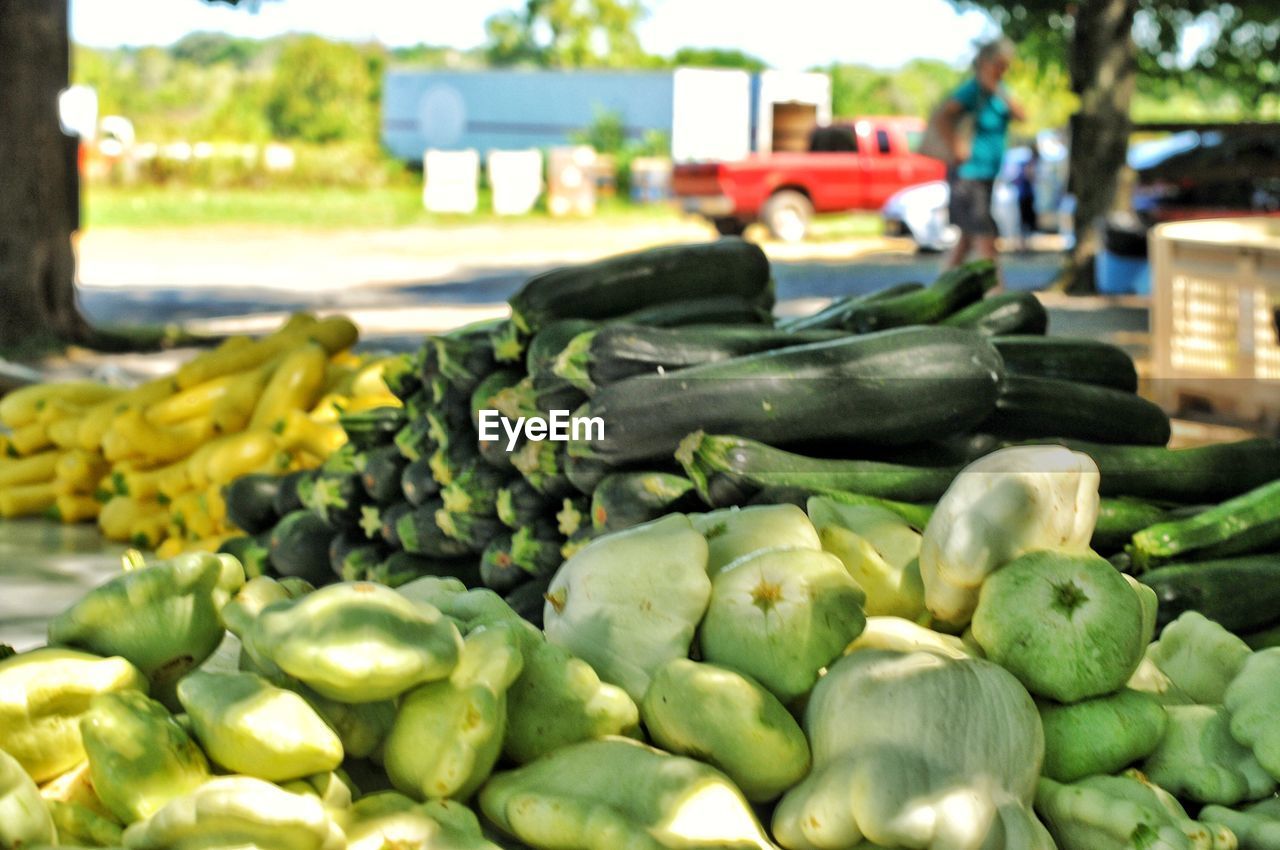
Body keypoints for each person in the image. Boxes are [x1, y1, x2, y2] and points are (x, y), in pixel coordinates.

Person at [937, 38, 1027, 278]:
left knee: (966, 241)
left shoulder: (999, 91)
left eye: (1006, 66)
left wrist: (997, 88)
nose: (1003, 70)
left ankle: (938, 293)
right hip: (968, 175)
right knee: (986, 239)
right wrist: (956, 146)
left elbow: (1022, 115)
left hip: (986, 176)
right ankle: (998, 298)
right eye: (999, 64)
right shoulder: (971, 90)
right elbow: (943, 116)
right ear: (986, 63)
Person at [1015, 147, 1039, 252]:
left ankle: (1025, 245)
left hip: (1026, 196)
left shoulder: (1027, 163)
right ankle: (1022, 245)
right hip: (1025, 197)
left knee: (1026, 222)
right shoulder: (1029, 164)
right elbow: (1030, 176)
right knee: (1024, 222)